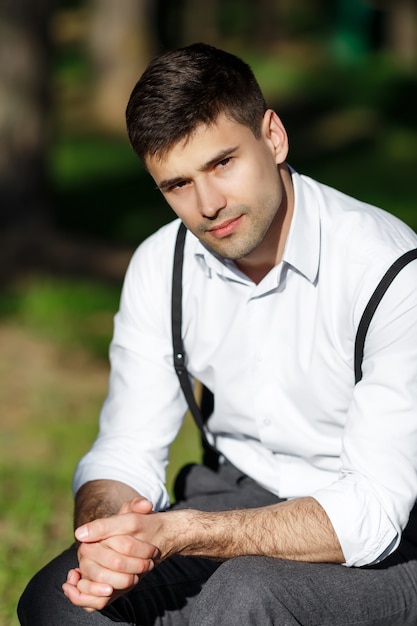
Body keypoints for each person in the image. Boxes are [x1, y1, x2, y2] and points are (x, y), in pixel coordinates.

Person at [18, 42, 417, 625]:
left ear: (273, 137)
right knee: (61, 602)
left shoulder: (390, 272)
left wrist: (181, 532)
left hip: (388, 537)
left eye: (222, 162)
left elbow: (373, 512)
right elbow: (125, 446)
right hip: (234, 492)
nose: (208, 204)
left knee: (244, 601)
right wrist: (107, 533)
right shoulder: (162, 265)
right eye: (177, 185)